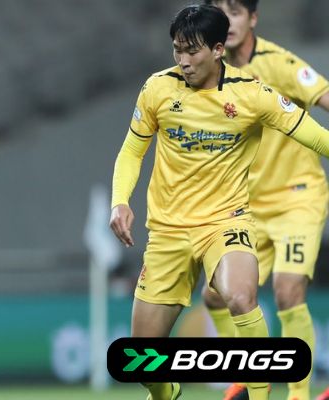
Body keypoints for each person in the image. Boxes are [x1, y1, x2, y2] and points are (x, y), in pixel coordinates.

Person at [109, 5, 329, 400]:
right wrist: (119, 201)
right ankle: (166, 390)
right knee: (141, 360)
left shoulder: (252, 95)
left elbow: (315, 137)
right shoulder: (158, 88)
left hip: (226, 224)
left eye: (192, 51)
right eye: (177, 50)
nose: (183, 61)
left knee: (241, 296)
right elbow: (131, 151)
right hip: (167, 232)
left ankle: (263, 394)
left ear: (216, 49)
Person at [196, 1, 329, 399]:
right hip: (248, 207)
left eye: (236, 12)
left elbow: (324, 96)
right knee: (215, 296)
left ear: (252, 18)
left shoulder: (279, 63)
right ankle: (245, 370)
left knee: (288, 291)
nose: (228, 22)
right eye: (220, 14)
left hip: (297, 198)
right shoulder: (209, 76)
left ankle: (299, 394)